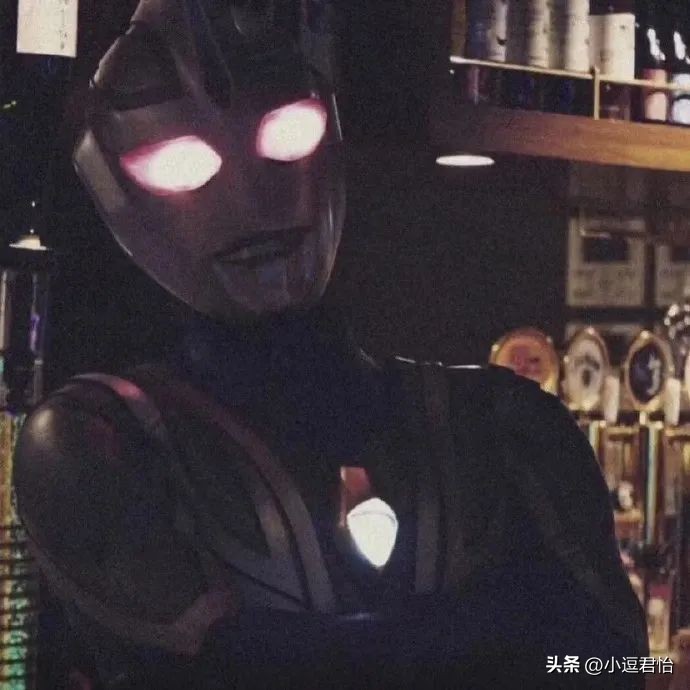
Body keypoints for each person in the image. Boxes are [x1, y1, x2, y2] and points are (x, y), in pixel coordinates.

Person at [14, 1, 647, 688]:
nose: (250, 193)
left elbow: (620, 664)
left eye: (288, 135)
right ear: (113, 187)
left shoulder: (506, 425)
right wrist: (491, 633)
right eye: (182, 164)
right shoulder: (98, 443)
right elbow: (236, 666)